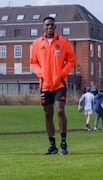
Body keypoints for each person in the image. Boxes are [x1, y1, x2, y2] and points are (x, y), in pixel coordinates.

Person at [30, 16, 75, 155]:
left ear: (55, 27)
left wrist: (63, 73)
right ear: (43, 27)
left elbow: (71, 59)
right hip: (45, 84)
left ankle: (63, 142)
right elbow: (33, 62)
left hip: (59, 84)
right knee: (48, 114)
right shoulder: (37, 43)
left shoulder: (63, 42)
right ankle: (52, 145)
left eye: (52, 25)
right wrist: (40, 73)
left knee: (60, 111)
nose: (50, 27)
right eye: (47, 25)